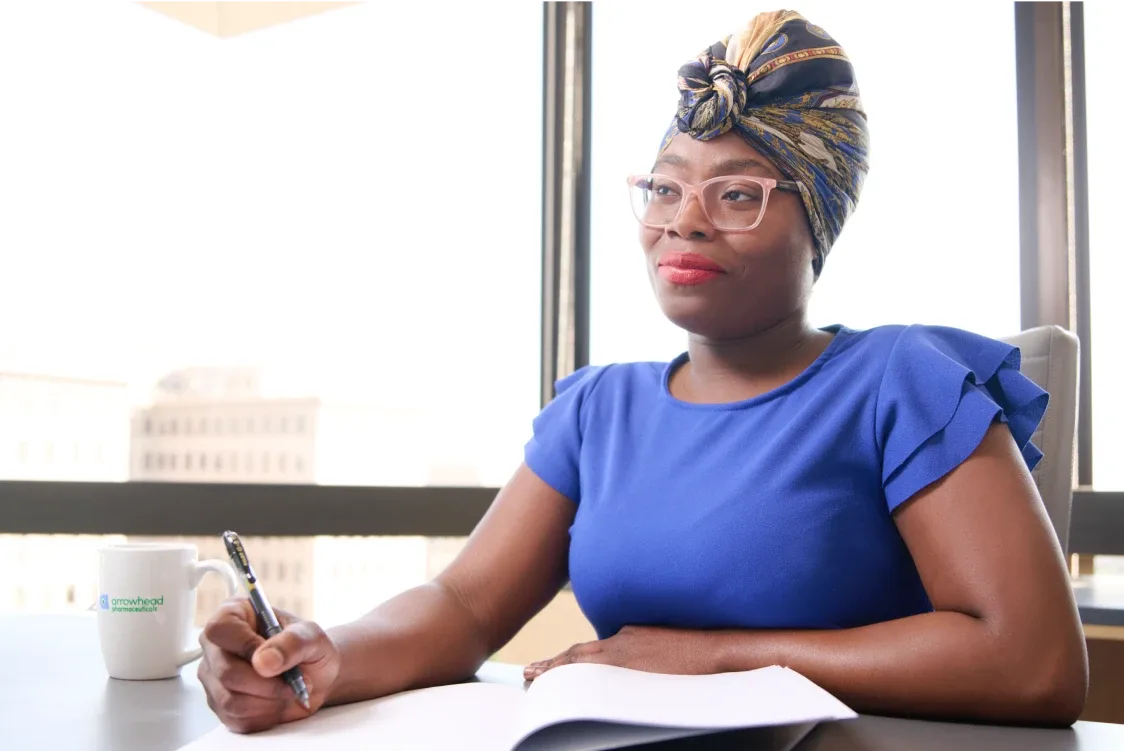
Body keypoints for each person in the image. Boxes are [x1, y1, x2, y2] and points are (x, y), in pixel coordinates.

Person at [198, 10, 1088, 732]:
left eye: (737, 194)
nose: (684, 221)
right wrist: (329, 653)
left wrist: (714, 657)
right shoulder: (600, 407)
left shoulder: (903, 379)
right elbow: (464, 605)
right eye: (665, 186)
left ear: (816, 221)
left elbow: (1036, 661)